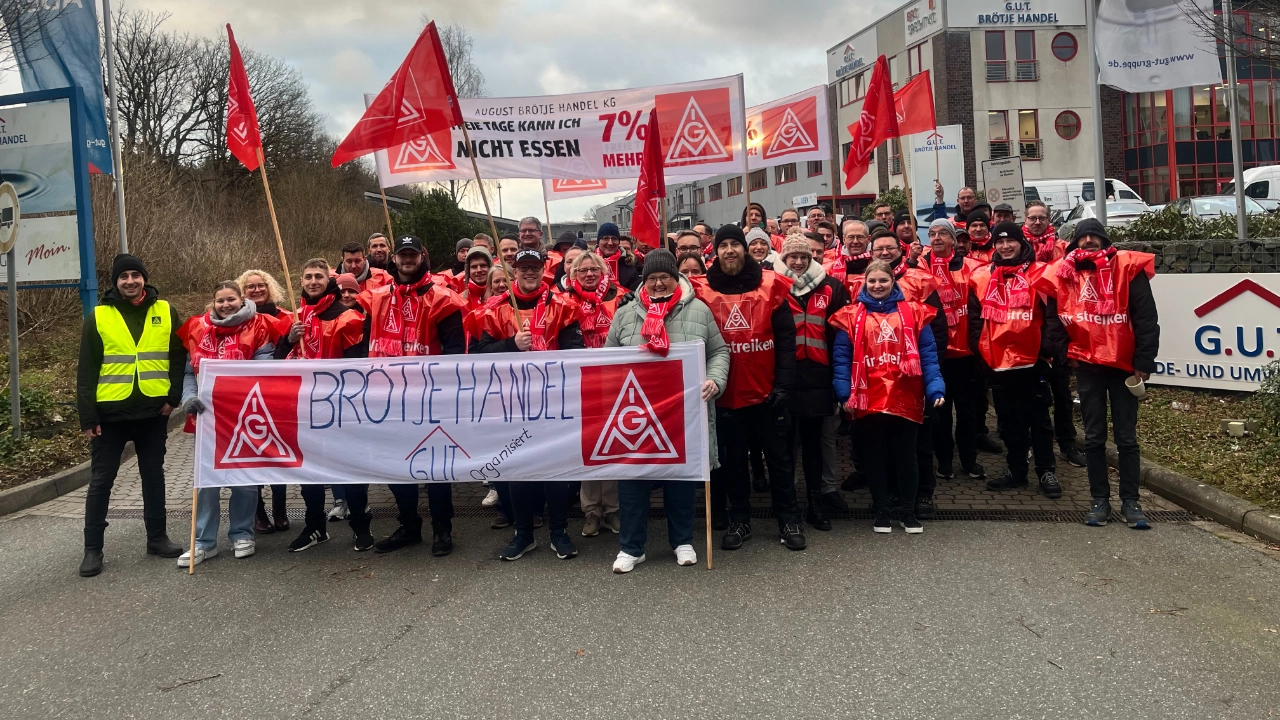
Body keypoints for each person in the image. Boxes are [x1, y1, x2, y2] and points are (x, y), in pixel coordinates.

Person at [606, 250, 730, 572]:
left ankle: (683, 540)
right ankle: (631, 548)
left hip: (682, 412)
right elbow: (607, 360)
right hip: (635, 413)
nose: (658, 283)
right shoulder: (625, 315)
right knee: (632, 479)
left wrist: (715, 380)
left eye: (665, 277)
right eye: (651, 278)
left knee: (681, 478)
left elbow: (719, 351)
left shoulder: (699, 311)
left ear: (676, 278)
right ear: (643, 282)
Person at [1037, 218, 1159, 529]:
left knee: (1126, 439)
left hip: (1125, 367)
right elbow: (1053, 321)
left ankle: (1131, 502)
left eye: (1095, 236)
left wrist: (1143, 363)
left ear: (1104, 240)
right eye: (1083, 237)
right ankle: (1099, 500)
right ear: (1075, 242)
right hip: (1088, 367)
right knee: (1093, 438)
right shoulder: (1062, 274)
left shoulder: (1127, 268)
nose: (1089, 240)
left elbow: (1146, 318)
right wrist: (1067, 357)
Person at [694, 225, 805, 552]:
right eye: (723, 245)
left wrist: (784, 385)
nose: (729, 250)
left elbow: (787, 340)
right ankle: (740, 519)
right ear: (715, 251)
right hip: (726, 396)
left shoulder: (771, 285)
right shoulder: (702, 290)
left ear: (745, 249)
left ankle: (788, 520)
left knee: (780, 462)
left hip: (767, 394)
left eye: (735, 244)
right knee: (734, 465)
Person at [76, 254, 187, 577]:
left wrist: (173, 397)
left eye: (135, 275)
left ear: (144, 278)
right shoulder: (98, 316)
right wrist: (88, 417)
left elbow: (178, 356)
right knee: (101, 483)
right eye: (123, 277)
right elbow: (87, 369)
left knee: (153, 477)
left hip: (153, 412)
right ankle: (92, 550)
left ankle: (157, 538)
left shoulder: (165, 310)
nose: (130, 281)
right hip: (110, 414)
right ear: (115, 282)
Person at [360, 235, 468, 556]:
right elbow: (363, 349)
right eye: (402, 255)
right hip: (387, 401)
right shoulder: (375, 298)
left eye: (413, 254)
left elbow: (453, 352)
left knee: (435, 467)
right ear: (393, 259)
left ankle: (442, 529)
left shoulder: (443, 299)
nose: (407, 260)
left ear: (422, 257)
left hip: (429, 399)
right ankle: (408, 526)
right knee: (396, 466)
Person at [476, 249, 585, 561]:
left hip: (552, 402)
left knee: (555, 469)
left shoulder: (562, 305)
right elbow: (480, 352)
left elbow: (575, 351)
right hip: (511, 403)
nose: (529, 273)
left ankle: (559, 532)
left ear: (543, 270)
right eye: (523, 268)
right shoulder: (495, 309)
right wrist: (512, 345)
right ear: (515, 271)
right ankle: (523, 534)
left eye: (534, 268)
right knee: (517, 468)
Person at [832, 261, 946, 534]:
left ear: (893, 282)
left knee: (907, 456)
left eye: (883, 280)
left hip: (905, 398)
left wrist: (935, 387)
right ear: (864, 284)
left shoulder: (916, 313)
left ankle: (907, 511)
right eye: (872, 281)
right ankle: (881, 509)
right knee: (875, 457)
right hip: (867, 400)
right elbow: (841, 360)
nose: (877, 286)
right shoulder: (849, 316)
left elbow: (928, 355)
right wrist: (843, 393)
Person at [175, 281, 279, 567]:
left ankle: (242, 533)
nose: (225, 305)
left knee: (243, 480)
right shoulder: (197, 328)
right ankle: (203, 542)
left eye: (231, 299)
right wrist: (188, 398)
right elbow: (188, 372)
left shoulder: (258, 327)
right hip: (207, 418)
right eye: (220, 300)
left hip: (242, 416)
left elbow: (265, 368)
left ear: (241, 299)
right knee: (206, 481)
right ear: (213, 302)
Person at [273, 258, 369, 552]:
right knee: (309, 471)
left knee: (349, 469)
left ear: (330, 282)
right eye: (307, 277)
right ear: (300, 282)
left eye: (318, 276)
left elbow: (359, 367)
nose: (312, 281)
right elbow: (277, 362)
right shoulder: (296, 317)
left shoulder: (348, 318)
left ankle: (361, 527)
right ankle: (315, 527)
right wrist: (289, 340)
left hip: (340, 408)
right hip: (303, 408)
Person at [967, 222, 1065, 499]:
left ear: (1022, 243)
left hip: (1033, 361)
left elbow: (1053, 314)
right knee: (1009, 421)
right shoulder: (982, 277)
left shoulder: (1040, 274)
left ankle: (1046, 470)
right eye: (999, 242)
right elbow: (974, 319)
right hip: (998, 363)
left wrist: (1045, 349)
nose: (1005, 246)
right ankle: (1017, 470)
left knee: (1039, 418)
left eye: (1011, 241)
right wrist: (980, 349)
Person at [775, 236, 850, 531]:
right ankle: (789, 502)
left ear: (811, 258)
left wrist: (839, 378)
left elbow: (840, 337)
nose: (797, 261)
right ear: (784, 258)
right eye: (792, 256)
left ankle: (816, 501)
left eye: (802, 257)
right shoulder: (774, 286)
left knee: (814, 445)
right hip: (786, 377)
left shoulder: (832, 287)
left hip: (819, 377)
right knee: (785, 445)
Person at [920, 220, 987, 494]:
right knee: (941, 412)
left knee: (968, 412)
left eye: (943, 233)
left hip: (966, 352)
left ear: (953, 239)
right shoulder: (921, 266)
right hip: (937, 352)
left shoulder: (971, 266)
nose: (936, 237)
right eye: (932, 233)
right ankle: (944, 461)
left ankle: (969, 461)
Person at [1023, 200, 1083, 466]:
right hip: (1027, 326)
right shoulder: (1018, 249)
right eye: (1032, 218)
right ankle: (1027, 444)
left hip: (1058, 326)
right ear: (1024, 220)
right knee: (1029, 394)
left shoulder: (1063, 249)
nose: (1037, 222)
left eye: (1041, 218)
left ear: (1049, 220)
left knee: (1062, 391)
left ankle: (1067, 443)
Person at [235, 268, 294, 534]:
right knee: (253, 457)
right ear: (242, 291)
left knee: (276, 455)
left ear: (270, 288)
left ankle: (280, 509)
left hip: (277, 394)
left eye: (261, 285)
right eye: (250, 287)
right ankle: (258, 513)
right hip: (246, 397)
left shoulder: (285, 317)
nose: (257, 290)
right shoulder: (237, 320)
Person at [825, 219, 872, 284]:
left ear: (868, 239)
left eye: (860, 237)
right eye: (851, 237)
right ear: (844, 239)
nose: (855, 241)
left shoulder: (877, 262)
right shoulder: (832, 267)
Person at [595, 222, 639, 290]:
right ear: (598, 242)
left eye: (614, 239)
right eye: (605, 238)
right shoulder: (586, 265)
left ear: (618, 242)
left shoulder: (630, 267)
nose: (610, 243)